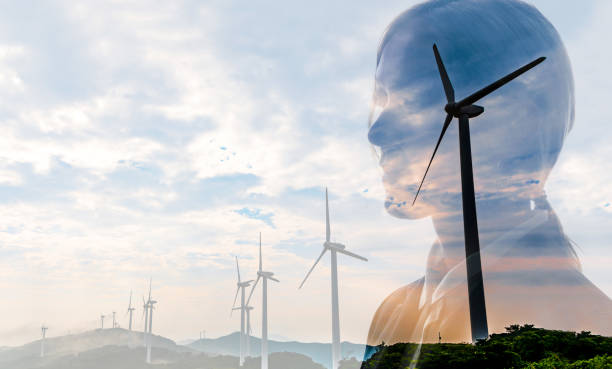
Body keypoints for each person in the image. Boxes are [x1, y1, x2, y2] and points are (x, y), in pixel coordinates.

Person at [366, 0, 612, 346]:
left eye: (413, 101)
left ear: (517, 125)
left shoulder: (588, 326)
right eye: (384, 99)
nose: (376, 133)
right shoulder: (393, 312)